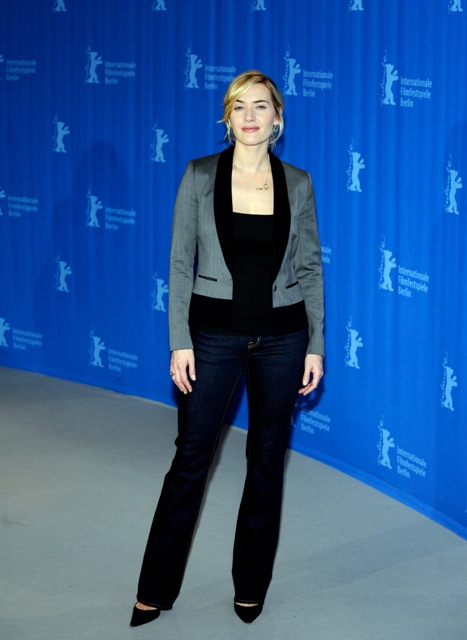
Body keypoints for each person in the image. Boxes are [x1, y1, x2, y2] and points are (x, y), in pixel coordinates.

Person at [130, 70, 324, 627]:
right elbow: (178, 263)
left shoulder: (298, 183)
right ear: (227, 116)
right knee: (191, 459)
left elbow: (310, 267)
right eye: (239, 106)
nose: (250, 116)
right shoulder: (199, 175)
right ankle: (154, 589)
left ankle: (250, 585)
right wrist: (179, 341)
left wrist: (315, 345)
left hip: (284, 339)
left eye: (260, 106)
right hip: (212, 338)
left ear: (277, 117)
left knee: (266, 462)